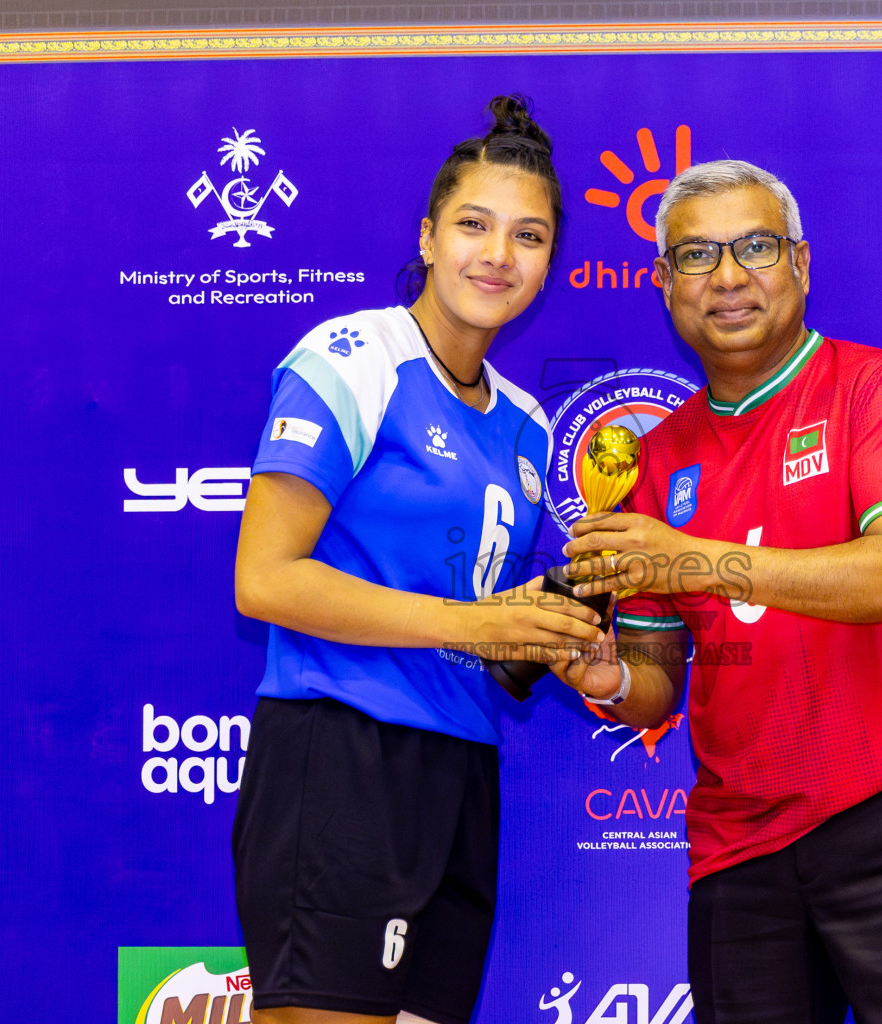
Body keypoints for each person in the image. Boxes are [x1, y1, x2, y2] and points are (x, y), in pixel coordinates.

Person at [554, 160, 882, 1024]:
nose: (727, 278)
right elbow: (657, 683)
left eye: (755, 247)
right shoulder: (658, 456)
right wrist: (597, 671)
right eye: (695, 256)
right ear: (663, 285)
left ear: (799, 261)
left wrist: (695, 560)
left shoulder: (877, 389)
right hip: (737, 846)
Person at [232, 96, 604, 1024]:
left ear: (550, 263)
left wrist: (547, 633)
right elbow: (265, 579)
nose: (498, 255)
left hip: (462, 774)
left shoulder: (527, 424)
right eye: (474, 225)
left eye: (528, 236)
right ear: (429, 235)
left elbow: (481, 621)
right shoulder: (351, 359)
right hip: (342, 754)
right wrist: (469, 622)